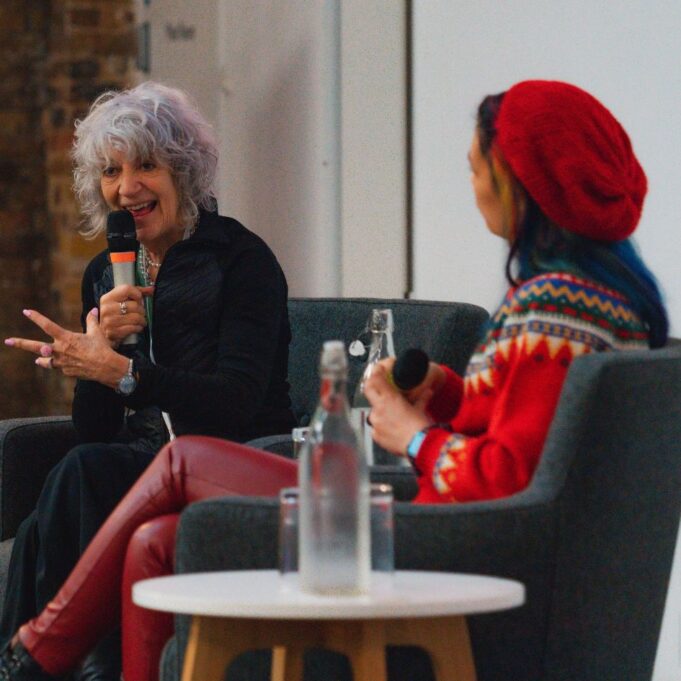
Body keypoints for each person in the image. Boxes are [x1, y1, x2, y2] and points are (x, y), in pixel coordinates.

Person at [0, 80, 668, 681]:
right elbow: (529, 424)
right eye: (112, 171)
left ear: (526, 180)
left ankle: (33, 652)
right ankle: (42, 654)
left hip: (444, 525)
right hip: (445, 514)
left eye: (476, 169)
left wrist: (412, 435)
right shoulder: (592, 298)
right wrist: (443, 393)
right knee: (142, 531)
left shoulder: (553, 309)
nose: (471, 186)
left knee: (147, 466)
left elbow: (498, 476)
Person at [1, 81, 295, 680]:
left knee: (79, 479)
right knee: (64, 494)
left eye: (147, 166)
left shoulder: (240, 260)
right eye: (111, 170)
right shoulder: (105, 274)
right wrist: (95, 357)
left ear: (183, 172)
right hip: (137, 462)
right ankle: (70, 664)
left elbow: (237, 401)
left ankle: (36, 663)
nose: (127, 187)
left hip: (232, 457)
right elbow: (94, 429)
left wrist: (129, 374)